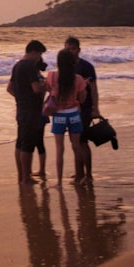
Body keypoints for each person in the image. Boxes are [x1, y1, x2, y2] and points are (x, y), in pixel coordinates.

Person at [45, 49, 88, 184]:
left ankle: (58, 181)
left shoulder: (51, 76)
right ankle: (79, 176)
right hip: (74, 114)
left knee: (59, 149)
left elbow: (49, 90)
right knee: (76, 147)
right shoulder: (78, 79)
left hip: (59, 115)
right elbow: (82, 99)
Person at [7, 40, 47, 185]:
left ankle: (21, 175)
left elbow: (9, 88)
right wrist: (47, 85)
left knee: (20, 142)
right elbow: (36, 88)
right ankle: (26, 177)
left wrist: (21, 98)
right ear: (34, 52)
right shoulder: (29, 66)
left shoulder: (17, 65)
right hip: (31, 109)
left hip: (21, 108)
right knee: (28, 144)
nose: (39, 58)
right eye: (39, 54)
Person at [64, 36, 99, 184]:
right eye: (67, 48)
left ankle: (88, 175)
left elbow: (94, 89)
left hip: (84, 108)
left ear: (78, 49)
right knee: (74, 141)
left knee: (82, 141)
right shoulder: (66, 66)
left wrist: (96, 108)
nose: (70, 51)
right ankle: (79, 172)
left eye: (73, 48)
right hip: (71, 108)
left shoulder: (86, 67)